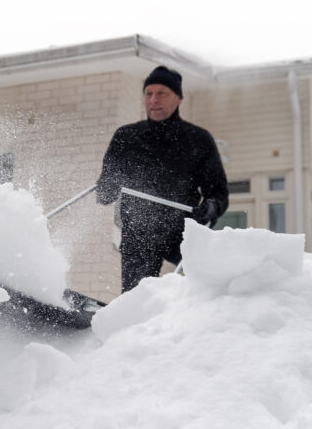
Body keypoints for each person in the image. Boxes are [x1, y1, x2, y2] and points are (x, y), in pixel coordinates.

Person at [96, 65, 229, 292]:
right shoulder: (126, 137)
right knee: (136, 300)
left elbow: (217, 192)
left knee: (212, 283)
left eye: (161, 93)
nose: (153, 100)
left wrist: (211, 207)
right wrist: (108, 186)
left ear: (178, 99)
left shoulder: (198, 140)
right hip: (139, 233)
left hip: (182, 229)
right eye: (149, 94)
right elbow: (105, 192)